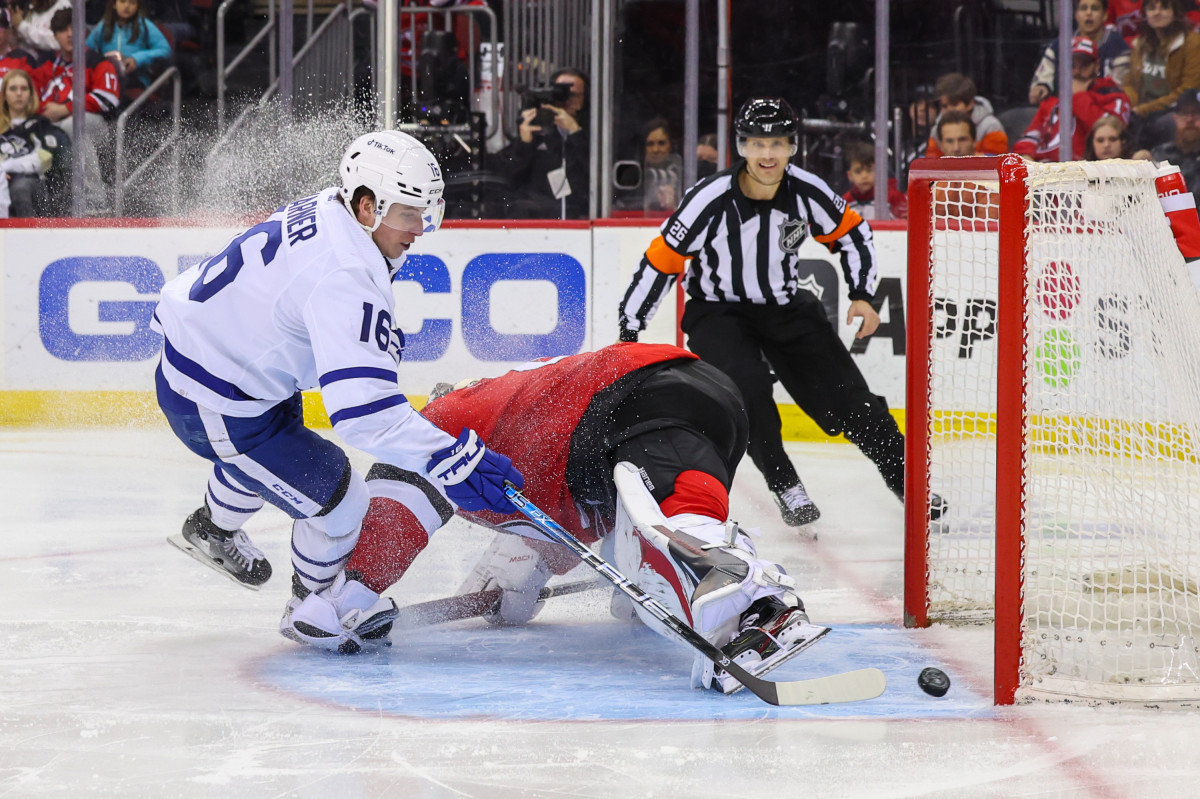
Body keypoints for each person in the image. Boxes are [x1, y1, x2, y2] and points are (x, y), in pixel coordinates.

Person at [153, 130, 524, 653]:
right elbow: (363, 416)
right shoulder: (346, 274)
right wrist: (450, 459)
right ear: (367, 205)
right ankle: (313, 609)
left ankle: (212, 527)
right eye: (409, 213)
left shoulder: (334, 208)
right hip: (216, 399)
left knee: (278, 456)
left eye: (427, 213)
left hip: (223, 367)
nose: (420, 229)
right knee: (339, 498)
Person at [348, 343, 827, 692]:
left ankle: (763, 605)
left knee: (676, 528)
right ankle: (723, 590)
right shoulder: (514, 422)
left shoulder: (444, 421)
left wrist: (349, 594)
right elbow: (558, 536)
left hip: (638, 398)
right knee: (644, 566)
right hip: (690, 400)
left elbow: (397, 493)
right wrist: (522, 582)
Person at [617, 97, 942, 529]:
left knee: (852, 400)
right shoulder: (709, 198)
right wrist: (630, 329)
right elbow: (662, 260)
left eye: (776, 143)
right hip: (719, 313)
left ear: (792, 146)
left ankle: (907, 481)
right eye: (755, 143)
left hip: (786, 308)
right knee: (746, 390)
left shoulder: (806, 191)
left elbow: (853, 235)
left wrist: (862, 293)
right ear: (741, 146)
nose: (766, 154)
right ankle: (785, 484)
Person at [34, 8, 118, 214]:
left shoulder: (98, 61)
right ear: (54, 36)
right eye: (63, 30)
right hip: (48, 125)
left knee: (73, 125)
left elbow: (108, 98)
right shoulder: (44, 64)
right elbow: (28, 96)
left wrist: (66, 109)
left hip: (94, 126)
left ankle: (95, 201)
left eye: (75, 28)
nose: (70, 34)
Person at [1015, 36, 1132, 161]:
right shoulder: (1051, 102)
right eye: (1072, 65)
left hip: (1085, 171)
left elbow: (1108, 133)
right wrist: (1026, 156)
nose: (1077, 71)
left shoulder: (1114, 96)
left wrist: (1078, 97)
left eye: (1084, 65)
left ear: (1097, 65)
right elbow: (1030, 136)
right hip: (1044, 170)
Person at [495, 67, 589, 219]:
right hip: (540, 220)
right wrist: (524, 143)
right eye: (560, 93)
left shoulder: (594, 134)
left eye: (573, 95)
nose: (566, 101)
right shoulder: (537, 131)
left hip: (580, 217)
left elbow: (595, 176)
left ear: (585, 99)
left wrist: (575, 133)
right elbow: (508, 179)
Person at [1124, 0, 1200, 148]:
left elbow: (1188, 89)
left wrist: (1145, 109)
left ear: (1176, 12)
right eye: (1152, 8)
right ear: (1145, 14)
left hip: (1175, 110)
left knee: (1164, 124)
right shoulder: (1140, 45)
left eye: (1165, 7)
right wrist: (1129, 108)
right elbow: (1130, 83)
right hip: (1141, 111)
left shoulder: (1193, 43)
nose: (1157, 12)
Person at [1029, 0, 1132, 105]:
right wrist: (1040, 87)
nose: (1089, 13)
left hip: (1103, 111)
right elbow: (1041, 79)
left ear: (1105, 15)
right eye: (1083, 8)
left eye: (1095, 8)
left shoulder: (1119, 47)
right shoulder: (1060, 45)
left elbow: (1121, 89)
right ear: (1076, 15)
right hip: (1062, 111)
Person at [0, 68, 69, 216]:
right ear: (4, 95)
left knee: (21, 188)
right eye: (13, 89)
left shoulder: (41, 126)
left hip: (33, 183)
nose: (19, 93)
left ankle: (27, 234)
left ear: (31, 94)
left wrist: (6, 167)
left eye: (24, 89)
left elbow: (43, 159)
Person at [86, 0, 172, 92]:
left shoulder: (144, 25)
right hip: (107, 78)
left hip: (136, 81)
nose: (127, 6)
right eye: (122, 1)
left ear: (137, 6)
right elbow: (86, 49)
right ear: (114, 4)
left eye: (132, 3)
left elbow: (165, 49)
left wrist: (137, 59)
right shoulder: (104, 25)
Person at [1134, 88, 1200, 197]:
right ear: (1175, 118)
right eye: (1184, 113)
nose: (1189, 120)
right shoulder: (1161, 154)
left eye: (1196, 113)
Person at [923, 73, 1008, 158]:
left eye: (955, 104)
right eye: (944, 106)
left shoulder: (990, 126)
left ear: (970, 104)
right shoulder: (936, 129)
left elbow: (997, 162)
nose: (949, 110)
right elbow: (931, 161)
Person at [842, 140, 907, 218]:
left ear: (879, 171)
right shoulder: (844, 202)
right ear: (850, 176)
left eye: (869, 171)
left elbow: (906, 226)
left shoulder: (893, 198)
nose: (864, 176)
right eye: (858, 171)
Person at [639, 116, 682, 213]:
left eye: (661, 143)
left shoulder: (684, 175)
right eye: (650, 144)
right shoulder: (635, 176)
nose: (656, 150)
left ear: (671, 145)